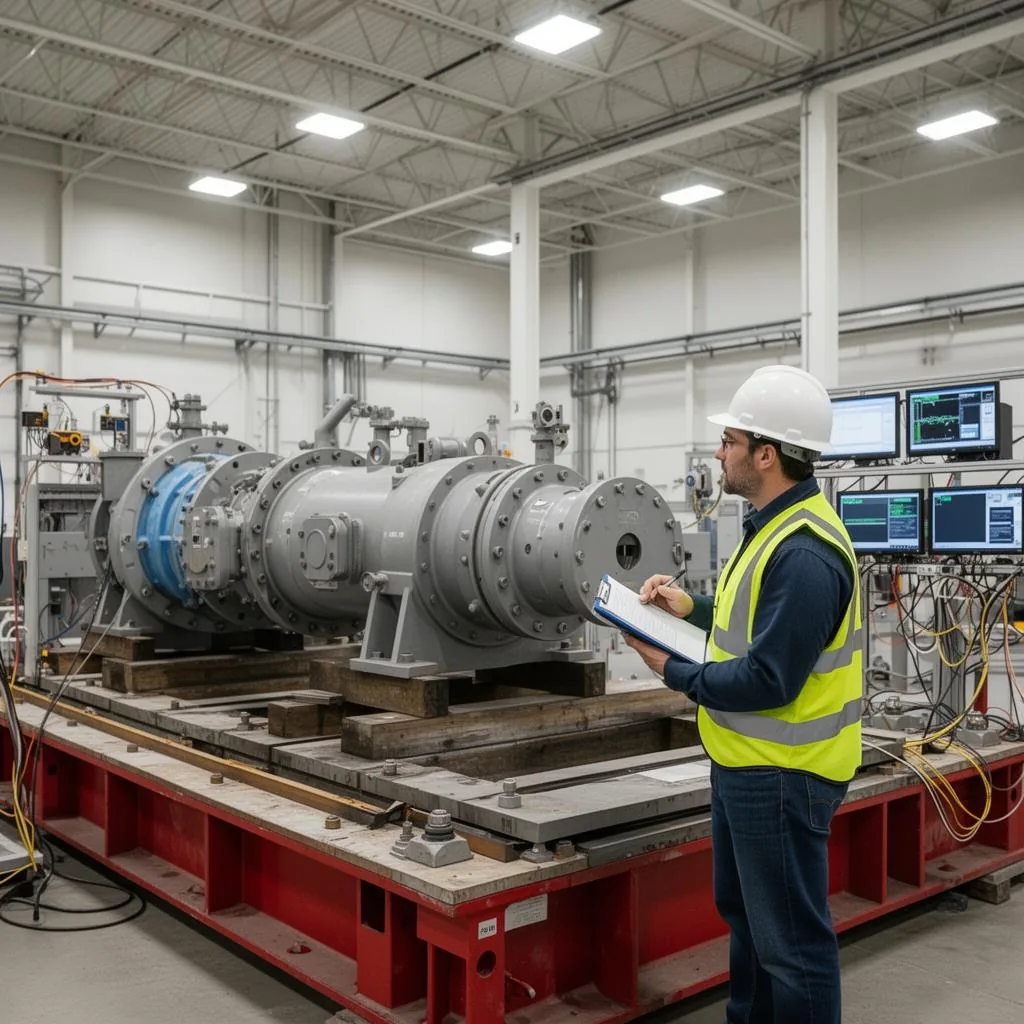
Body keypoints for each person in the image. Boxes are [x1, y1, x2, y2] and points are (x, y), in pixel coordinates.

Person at [624, 364, 862, 1024]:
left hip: (785, 773)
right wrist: (688, 607)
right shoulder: (771, 526)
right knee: (752, 929)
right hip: (746, 763)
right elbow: (750, 621)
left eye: (729, 440)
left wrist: (668, 669)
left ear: (766, 453)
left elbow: (768, 680)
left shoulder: (806, 551)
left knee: (791, 948)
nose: (718, 453)